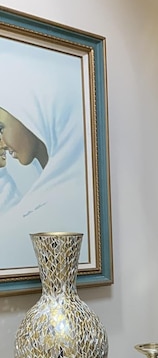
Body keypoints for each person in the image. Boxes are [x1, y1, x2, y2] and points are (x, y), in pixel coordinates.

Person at [0, 37, 89, 270]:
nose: (2, 143)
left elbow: (10, 234)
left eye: (1, 128)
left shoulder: (66, 194)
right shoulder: (50, 189)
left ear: (29, 112)